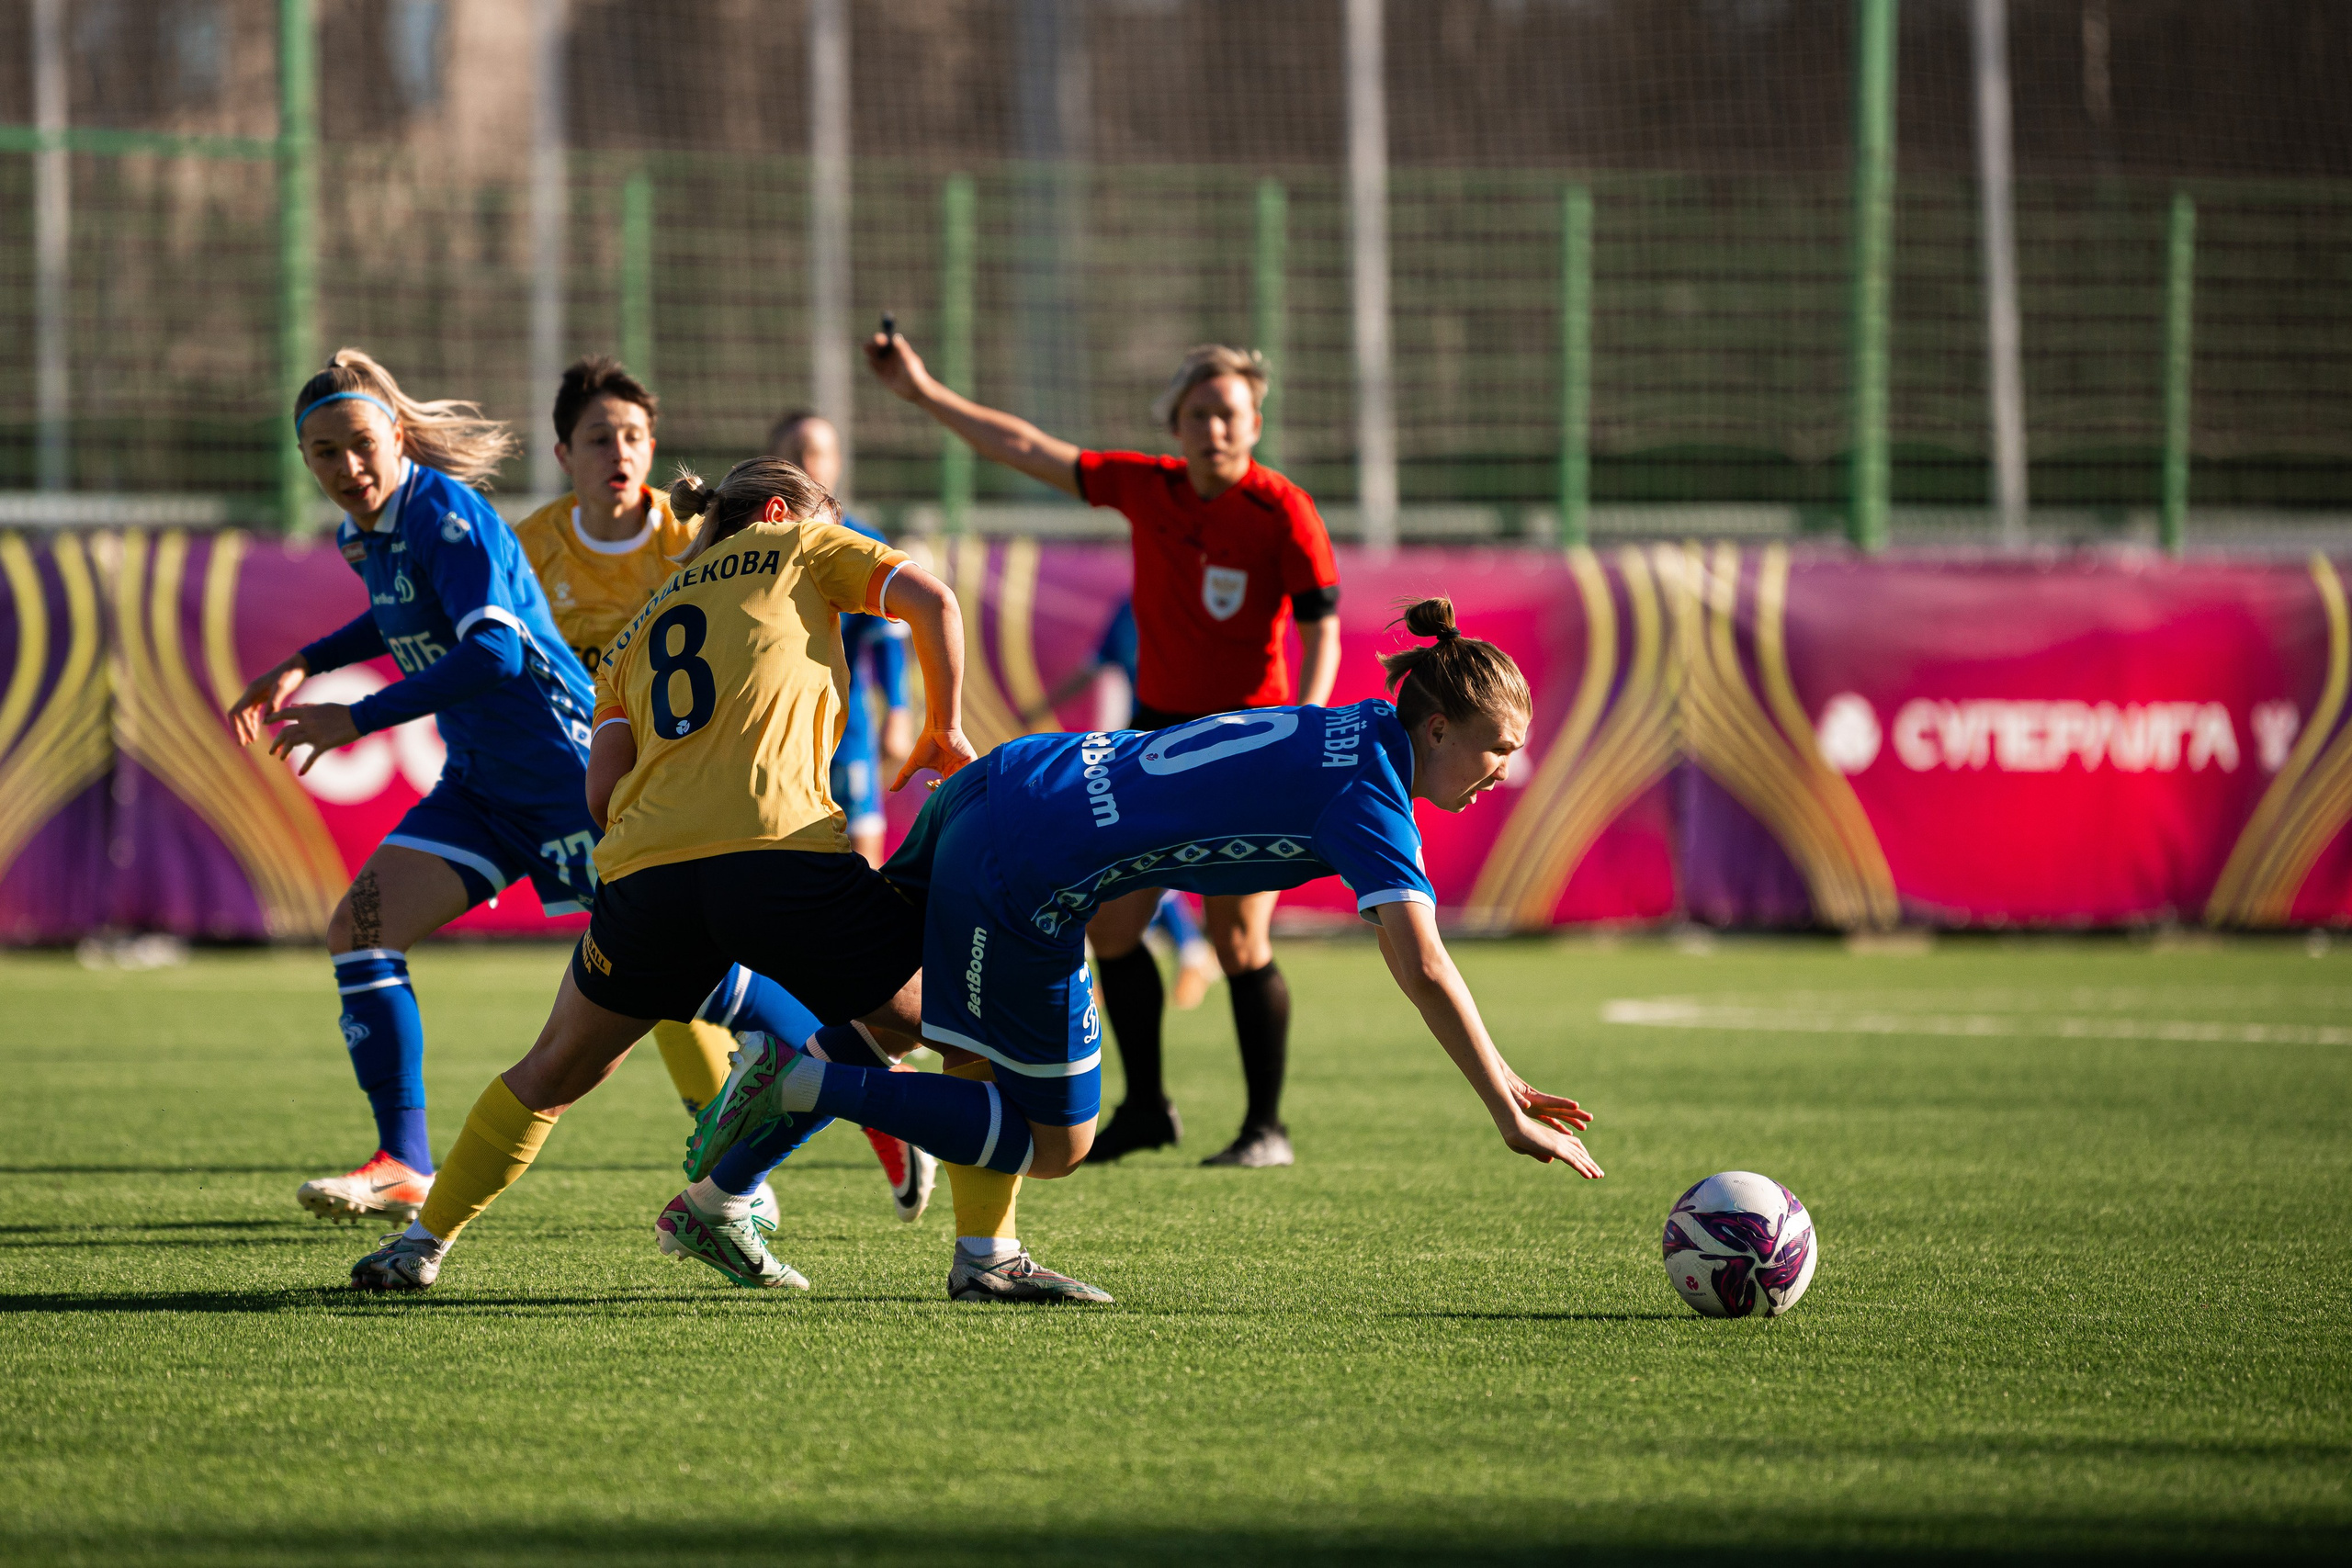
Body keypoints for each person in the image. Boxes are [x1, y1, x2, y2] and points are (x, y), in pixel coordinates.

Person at [684, 597, 1604, 1300]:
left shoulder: (1358, 724)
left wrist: (1504, 1077)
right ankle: (806, 1082)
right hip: (1032, 865)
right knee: (1058, 1141)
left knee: (924, 1027)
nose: (1503, 770)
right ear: (1436, 728)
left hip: (1011, 777)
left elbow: (1398, 947)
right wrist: (1504, 1109)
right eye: (1498, 748)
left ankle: (721, 1203)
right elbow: (1425, 966)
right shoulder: (1371, 798)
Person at [346, 457, 1105, 1304]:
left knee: (553, 1069)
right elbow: (934, 600)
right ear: (780, 510)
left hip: (646, 877)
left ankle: (421, 1242)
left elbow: (600, 791)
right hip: (780, 853)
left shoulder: (638, 627)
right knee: (970, 1030)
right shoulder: (801, 542)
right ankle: (982, 1254)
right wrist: (944, 728)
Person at [867, 334, 1343, 1170]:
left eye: (1230, 413)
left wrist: (1305, 728)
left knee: (1238, 937)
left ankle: (1265, 1127)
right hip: (1156, 740)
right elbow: (1025, 446)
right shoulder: (1148, 486)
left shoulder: (1284, 510)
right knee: (1116, 927)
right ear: (1176, 423)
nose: (1215, 427)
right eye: (1199, 413)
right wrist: (923, 391)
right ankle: (1148, 1106)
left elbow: (1322, 630)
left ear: (1256, 422)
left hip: (1247, 742)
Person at [512, 360, 932, 1223]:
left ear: (654, 448)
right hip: (644, 782)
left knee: (682, 967)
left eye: (634, 435)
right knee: (704, 967)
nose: (619, 452)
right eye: (599, 437)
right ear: (563, 454)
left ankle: (767, 1142)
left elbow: (880, 632)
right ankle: (767, 1145)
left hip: (748, 776)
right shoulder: (533, 546)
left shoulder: (699, 531)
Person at [228, 349, 595, 1229]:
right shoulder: (363, 533)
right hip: (480, 787)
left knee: (695, 976)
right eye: (324, 452)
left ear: (396, 435)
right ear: (304, 459)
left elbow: (495, 652)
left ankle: (851, 1074)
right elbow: (401, 614)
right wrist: (307, 660)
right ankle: (403, 1162)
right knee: (360, 930)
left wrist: (356, 717)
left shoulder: (446, 513)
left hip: (565, 776)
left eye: (361, 443)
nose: (347, 466)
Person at [1026, 599, 1222, 1010]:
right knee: (1138, 852)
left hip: (1185, 749)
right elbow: (1094, 666)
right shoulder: (1128, 609)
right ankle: (1185, 951)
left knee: (1143, 853)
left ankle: (1175, 953)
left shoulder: (1195, 601)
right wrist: (1042, 708)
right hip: (1141, 747)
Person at [766, 412, 911, 867]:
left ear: (837, 462)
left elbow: (884, 638)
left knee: (860, 859)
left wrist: (899, 711)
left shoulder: (863, 541)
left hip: (845, 729)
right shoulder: (753, 545)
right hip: (771, 729)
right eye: (796, 453)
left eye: (819, 453)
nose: (808, 464)